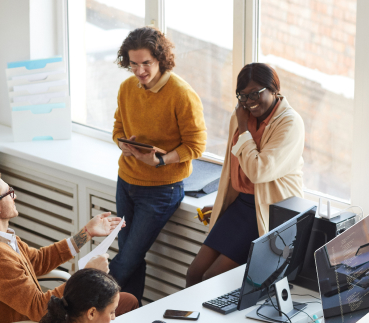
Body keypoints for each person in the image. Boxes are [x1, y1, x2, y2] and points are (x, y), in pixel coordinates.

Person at [0, 169, 139, 323]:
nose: (15, 196)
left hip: (40, 320)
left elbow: (38, 260)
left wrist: (87, 233)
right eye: (9, 192)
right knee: (125, 303)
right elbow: (39, 308)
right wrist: (87, 275)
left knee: (124, 302)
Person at [110, 26, 207, 303]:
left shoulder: (181, 94)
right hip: (126, 181)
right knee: (132, 257)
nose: (140, 71)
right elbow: (117, 128)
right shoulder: (127, 88)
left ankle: (78, 305)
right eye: (134, 64)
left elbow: (196, 146)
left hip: (161, 190)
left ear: (161, 59)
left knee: (125, 260)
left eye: (146, 64)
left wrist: (160, 160)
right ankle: (126, 313)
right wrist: (123, 144)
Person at [186, 63, 305, 287]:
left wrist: (243, 127)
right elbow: (232, 169)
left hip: (269, 210)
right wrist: (222, 202)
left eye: (255, 94)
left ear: (274, 89)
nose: (249, 102)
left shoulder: (290, 123)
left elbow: (260, 171)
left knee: (212, 280)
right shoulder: (241, 115)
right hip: (242, 205)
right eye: (243, 96)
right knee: (194, 274)